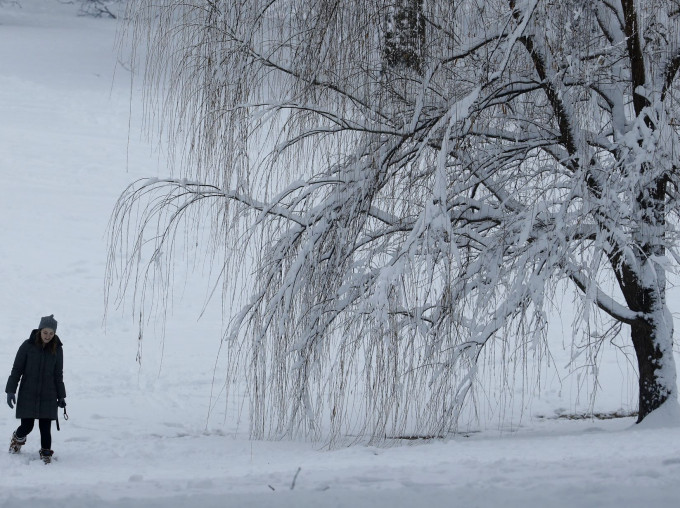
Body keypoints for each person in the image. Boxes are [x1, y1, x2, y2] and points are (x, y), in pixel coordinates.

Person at [5, 314, 66, 464]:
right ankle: (17, 438)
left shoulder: (57, 349)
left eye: (51, 333)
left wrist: (61, 396)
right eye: (45, 332)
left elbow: (58, 374)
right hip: (28, 393)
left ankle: (46, 452)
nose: (48, 336)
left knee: (45, 427)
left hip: (48, 394)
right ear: (40, 330)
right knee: (27, 425)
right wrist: (11, 390)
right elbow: (17, 369)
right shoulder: (27, 346)